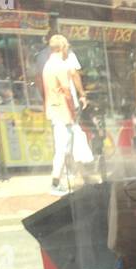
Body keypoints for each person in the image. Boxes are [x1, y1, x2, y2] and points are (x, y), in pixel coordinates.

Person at [42, 34, 93, 193]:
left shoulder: (48, 65)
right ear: (63, 48)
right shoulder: (59, 66)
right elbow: (67, 90)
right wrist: (73, 110)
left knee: (73, 144)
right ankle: (55, 183)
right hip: (63, 112)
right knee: (63, 148)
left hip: (56, 110)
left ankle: (84, 177)